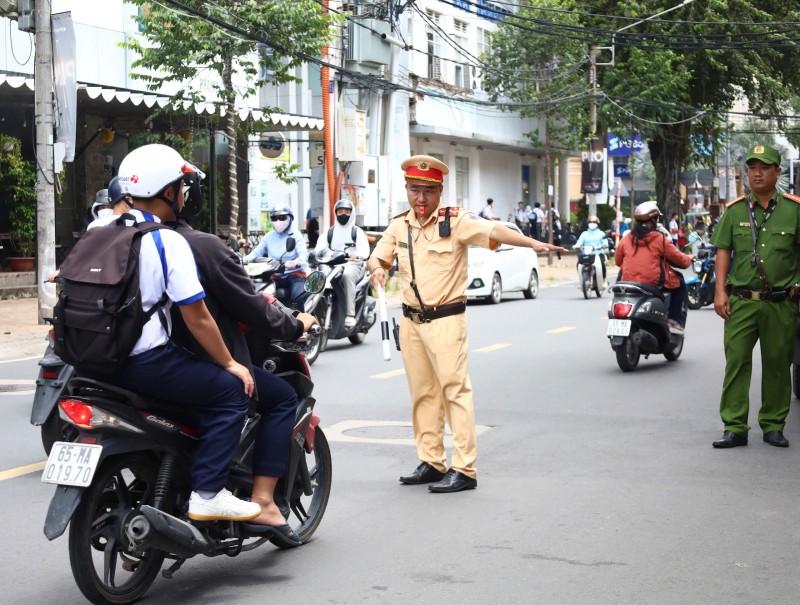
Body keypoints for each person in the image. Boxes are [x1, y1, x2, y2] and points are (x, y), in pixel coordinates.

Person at [367, 155, 566, 493]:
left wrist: (532, 242)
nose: (421, 198)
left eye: (428, 191)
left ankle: (464, 468)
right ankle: (431, 461)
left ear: (440, 191)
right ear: (406, 189)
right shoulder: (400, 224)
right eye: (415, 190)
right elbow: (380, 254)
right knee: (422, 394)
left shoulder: (456, 221)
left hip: (446, 319)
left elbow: (494, 230)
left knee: (454, 392)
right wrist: (376, 268)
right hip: (411, 322)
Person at [90, 143, 261, 522]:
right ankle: (208, 492)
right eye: (181, 188)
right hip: (142, 362)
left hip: (90, 360)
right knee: (233, 392)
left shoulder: (100, 232)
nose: (184, 195)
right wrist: (232, 363)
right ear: (168, 192)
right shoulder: (167, 240)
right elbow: (197, 317)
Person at [171, 215, 317, 545]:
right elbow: (250, 306)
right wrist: (295, 325)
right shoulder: (203, 247)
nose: (278, 220)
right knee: (278, 396)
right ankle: (263, 500)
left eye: (283, 216)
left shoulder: (126, 241)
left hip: (137, 363)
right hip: (194, 361)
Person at [709, 144, 800, 449]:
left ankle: (773, 425)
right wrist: (720, 291)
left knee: (777, 364)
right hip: (742, 302)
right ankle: (734, 426)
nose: (757, 173)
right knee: (736, 362)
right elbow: (723, 250)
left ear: (778, 172)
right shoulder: (735, 210)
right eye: (752, 168)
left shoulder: (794, 209)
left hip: (780, 303)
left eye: (764, 167)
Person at [615, 201, 694, 332]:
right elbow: (681, 261)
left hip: (627, 283)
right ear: (653, 220)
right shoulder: (659, 238)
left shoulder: (626, 238)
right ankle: (673, 320)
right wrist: (690, 257)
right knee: (680, 284)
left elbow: (618, 261)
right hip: (652, 284)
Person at [315, 199, 370, 328]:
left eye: (347, 211)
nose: (343, 214)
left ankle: (350, 314)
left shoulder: (357, 232)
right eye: (340, 211)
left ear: (352, 213)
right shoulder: (330, 232)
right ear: (335, 213)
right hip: (333, 265)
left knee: (347, 275)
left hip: (353, 265)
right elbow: (319, 249)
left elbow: (364, 251)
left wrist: (356, 254)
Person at [242, 205, 310, 310]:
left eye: (282, 218)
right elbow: (255, 253)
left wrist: (295, 262)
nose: (278, 221)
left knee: (297, 297)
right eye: (274, 218)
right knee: (258, 295)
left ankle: (300, 323)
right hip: (274, 276)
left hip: (295, 275)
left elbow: (304, 255)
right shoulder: (269, 237)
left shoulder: (296, 235)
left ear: (290, 218)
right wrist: (241, 260)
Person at [573, 214, 609, 285]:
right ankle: (582, 278)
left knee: (602, 265)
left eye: (594, 222)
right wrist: (577, 246)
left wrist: (602, 246)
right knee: (579, 263)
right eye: (590, 222)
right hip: (587, 254)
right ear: (588, 224)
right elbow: (579, 243)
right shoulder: (584, 234)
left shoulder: (601, 233)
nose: (592, 224)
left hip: (598, 254)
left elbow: (605, 243)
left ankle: (604, 279)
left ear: (597, 224)